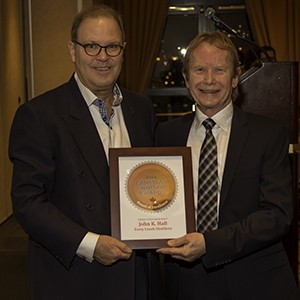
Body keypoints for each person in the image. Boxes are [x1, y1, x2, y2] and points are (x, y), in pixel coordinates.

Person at [9, 4, 160, 300]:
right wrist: (90, 244)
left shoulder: (141, 109)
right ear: (72, 50)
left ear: (124, 50)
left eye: (112, 46)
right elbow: (28, 203)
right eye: (91, 46)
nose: (103, 57)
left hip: (138, 278)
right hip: (76, 279)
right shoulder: (39, 115)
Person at [156, 31, 300, 300]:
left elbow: (277, 215)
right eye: (199, 69)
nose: (209, 80)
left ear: (235, 78)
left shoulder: (268, 135)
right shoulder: (165, 135)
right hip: (183, 283)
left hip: (255, 282)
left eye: (219, 70)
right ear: (186, 79)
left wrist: (209, 244)